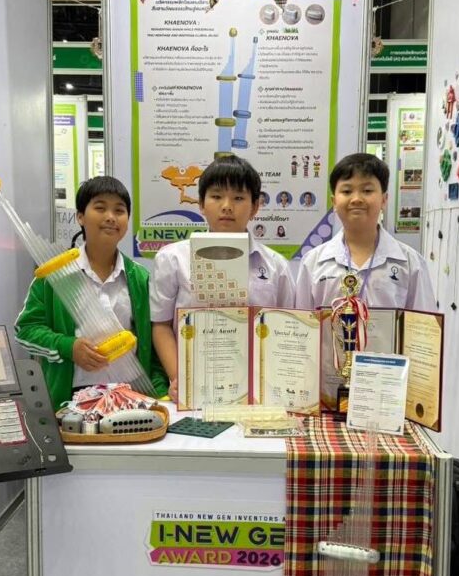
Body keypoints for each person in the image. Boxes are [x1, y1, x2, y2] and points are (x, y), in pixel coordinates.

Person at [15, 177, 168, 406]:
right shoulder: (54, 275)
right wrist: (68, 347)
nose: (111, 217)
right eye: (100, 208)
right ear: (80, 216)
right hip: (69, 402)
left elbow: (153, 350)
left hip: (130, 399)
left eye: (119, 210)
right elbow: (25, 330)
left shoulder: (140, 278)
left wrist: (160, 395)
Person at [151, 155, 295, 393]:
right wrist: (179, 378)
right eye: (217, 196)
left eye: (238, 198)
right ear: (201, 204)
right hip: (194, 386)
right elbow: (161, 325)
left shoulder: (276, 266)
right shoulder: (172, 259)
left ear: (255, 207)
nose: (227, 206)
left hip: (258, 388)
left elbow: (286, 329)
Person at [295, 153, 435, 311]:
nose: (356, 199)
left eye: (367, 190)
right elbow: (301, 323)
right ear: (334, 202)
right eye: (347, 191)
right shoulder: (312, 263)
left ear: (384, 200)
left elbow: (424, 323)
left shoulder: (411, 263)